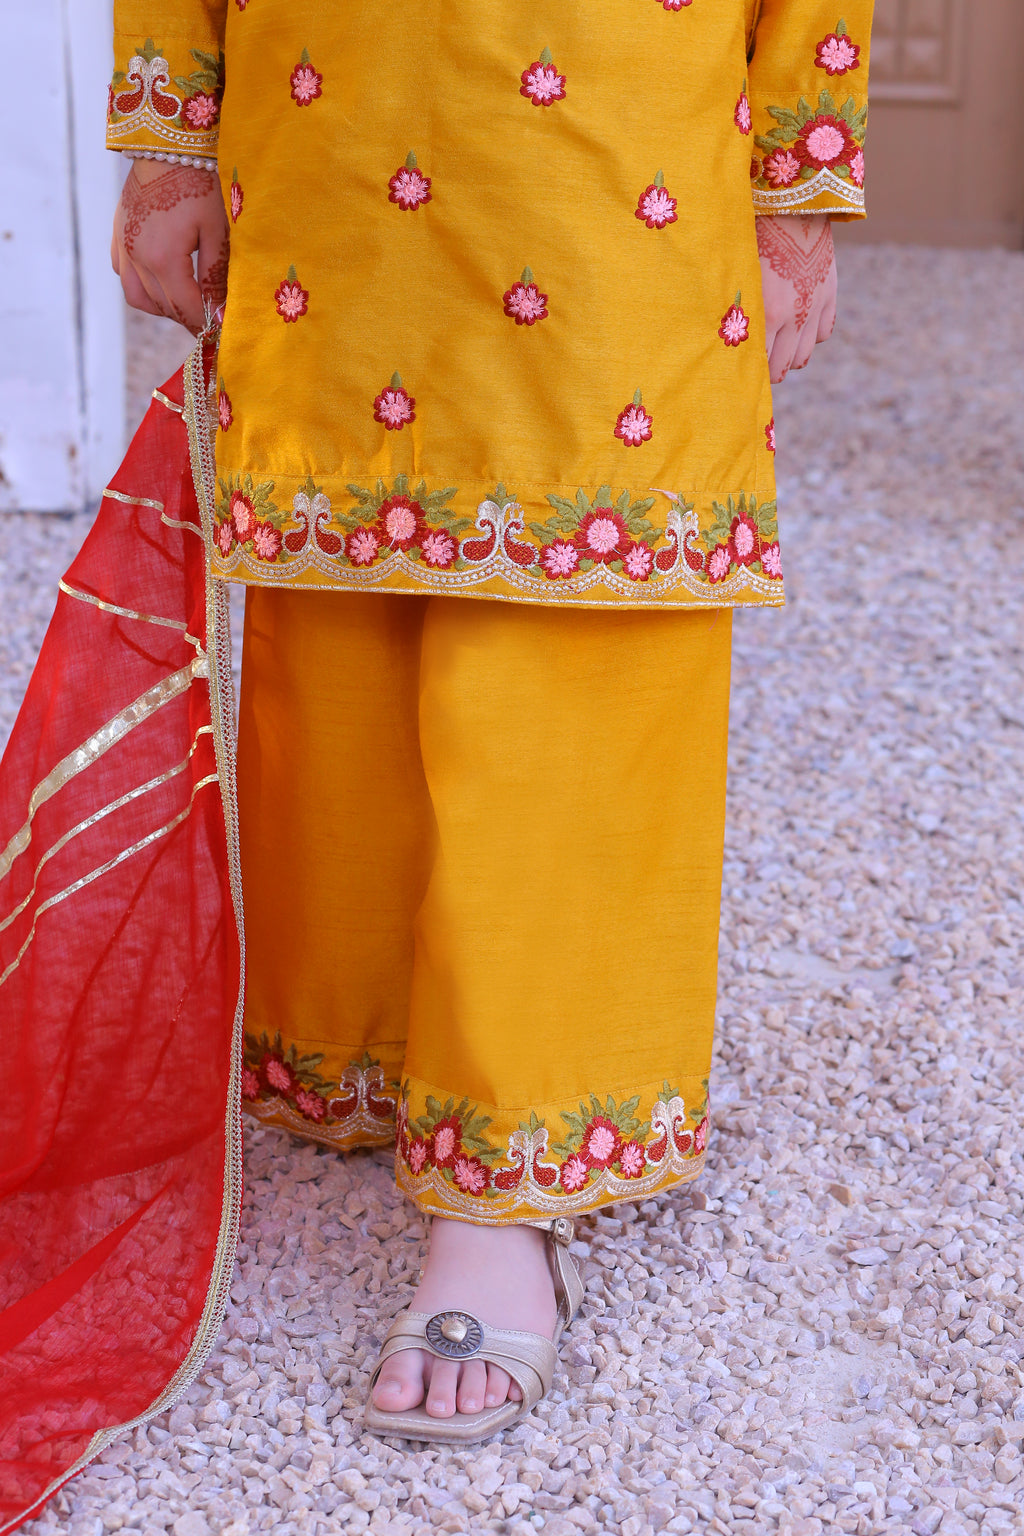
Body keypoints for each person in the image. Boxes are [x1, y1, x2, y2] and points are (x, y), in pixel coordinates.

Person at [4, 0, 875, 1494]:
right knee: (336, 589)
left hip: (615, 137)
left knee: (567, 618)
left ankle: (508, 1166)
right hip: (330, 108)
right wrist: (168, 135)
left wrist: (795, 176)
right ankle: (351, 1050)